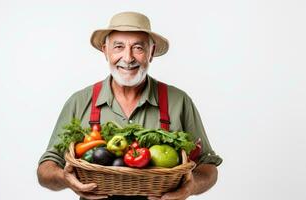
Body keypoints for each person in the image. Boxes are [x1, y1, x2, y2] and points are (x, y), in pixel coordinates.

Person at [37, 11, 222, 200]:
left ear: (151, 53)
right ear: (105, 51)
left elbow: (208, 166)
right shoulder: (80, 101)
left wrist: (190, 187)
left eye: (138, 48)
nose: (128, 57)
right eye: (118, 47)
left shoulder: (178, 101)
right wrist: (64, 177)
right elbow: (45, 169)